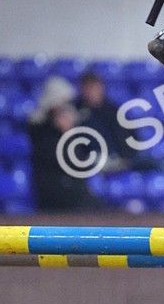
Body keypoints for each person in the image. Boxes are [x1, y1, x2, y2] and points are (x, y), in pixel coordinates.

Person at [27, 75, 101, 211]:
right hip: (56, 197)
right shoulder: (42, 133)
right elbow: (72, 162)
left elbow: (85, 161)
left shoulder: (71, 131)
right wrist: (68, 134)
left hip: (75, 193)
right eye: (64, 106)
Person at [74, 68, 132, 166]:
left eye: (94, 87)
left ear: (101, 87)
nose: (91, 92)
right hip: (92, 161)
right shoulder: (76, 111)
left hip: (119, 158)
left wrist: (125, 158)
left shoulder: (113, 111)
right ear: (82, 89)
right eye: (88, 87)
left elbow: (128, 137)